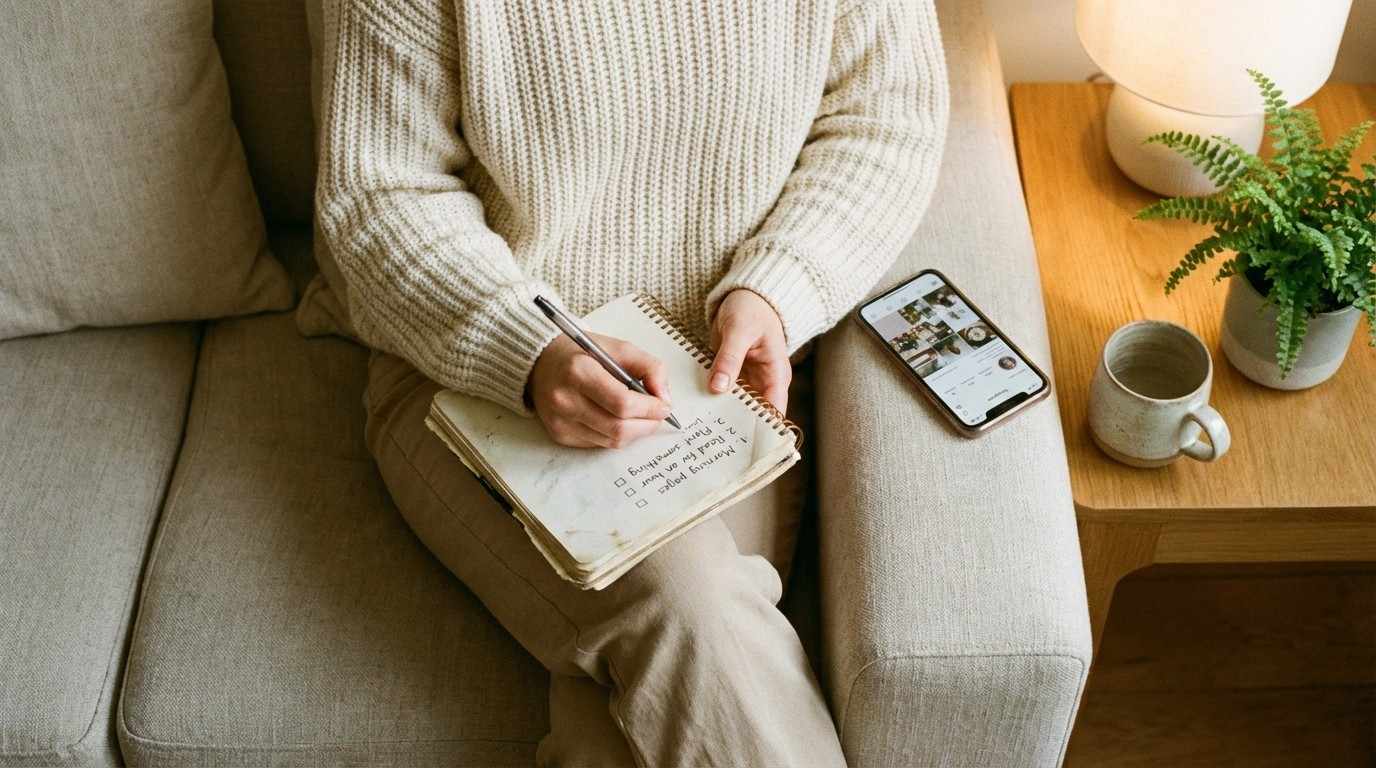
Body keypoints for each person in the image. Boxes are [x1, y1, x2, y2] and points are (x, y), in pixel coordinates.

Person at [313, 0, 948, 764]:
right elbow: (380, 193)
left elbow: (885, 119)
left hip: (717, 381)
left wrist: (778, 287)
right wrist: (532, 348)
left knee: (615, 735)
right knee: (687, 602)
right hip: (468, 370)